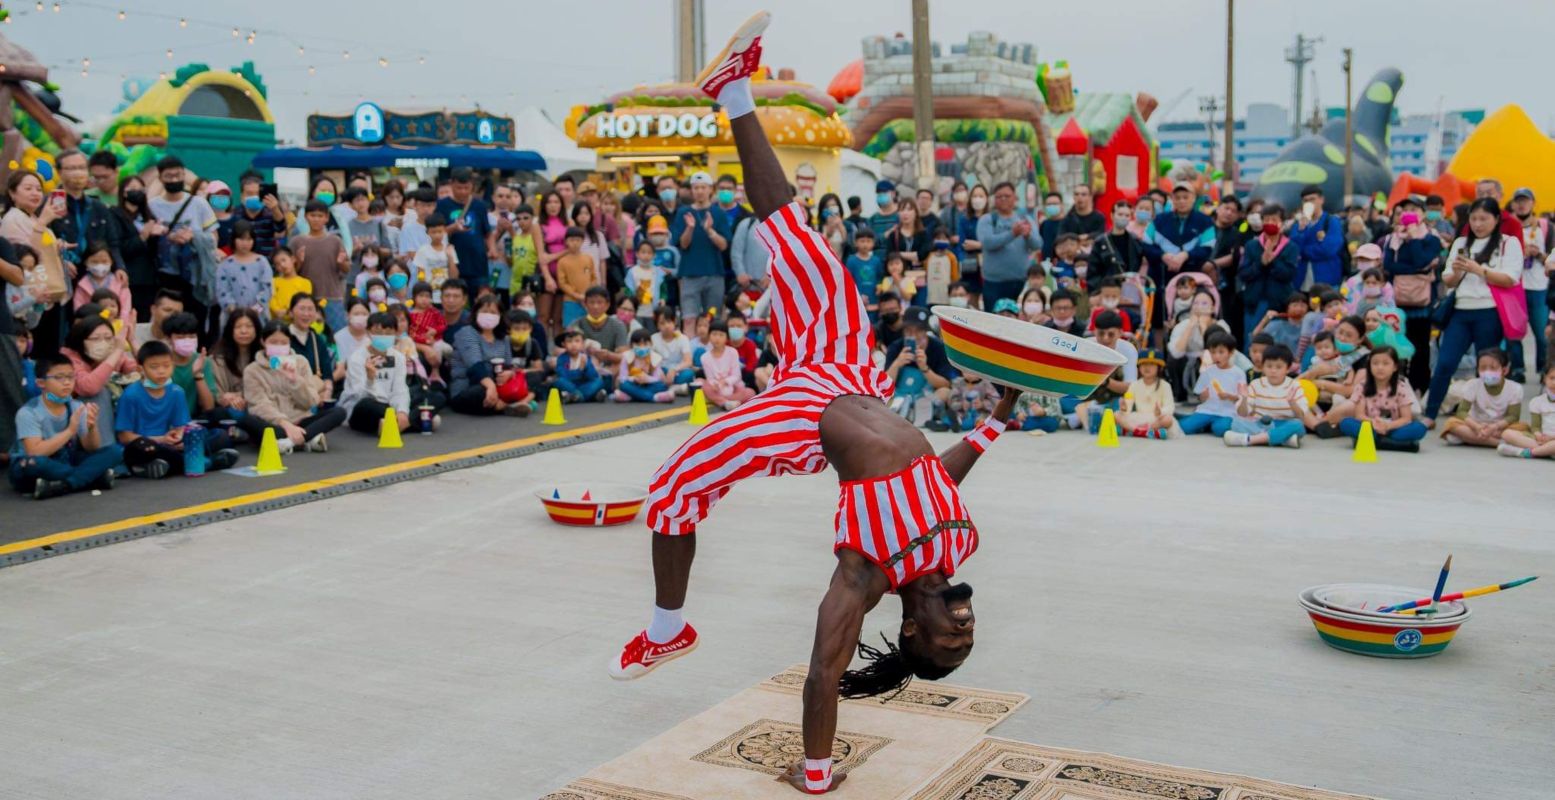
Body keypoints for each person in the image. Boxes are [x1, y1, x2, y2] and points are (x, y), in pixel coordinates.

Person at [614, 21, 1018, 795]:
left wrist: (818, 773)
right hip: (850, 371)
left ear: (909, 632)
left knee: (671, 488)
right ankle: (731, 89)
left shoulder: (863, 580)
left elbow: (821, 677)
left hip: (807, 418)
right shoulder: (956, 544)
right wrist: (996, 418)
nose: (965, 632)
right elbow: (938, 473)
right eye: (967, 640)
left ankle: (666, 630)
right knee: (799, 244)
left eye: (948, 646)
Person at [1422, 198, 1523, 423]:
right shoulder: (1460, 243)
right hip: (1460, 311)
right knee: (1446, 362)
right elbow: (1448, 280)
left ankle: (1487, 415)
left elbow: (1510, 278)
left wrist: (1479, 270)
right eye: (1474, 218)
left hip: (1490, 312)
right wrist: (1458, 272)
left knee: (1486, 366)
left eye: (1484, 219)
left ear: (1496, 220)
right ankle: (1430, 414)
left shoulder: (1508, 243)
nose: (1478, 224)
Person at [116, 339, 238, 478]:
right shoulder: (131, 395)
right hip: (148, 444)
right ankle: (207, 462)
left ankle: (164, 466)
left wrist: (180, 437)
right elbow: (124, 436)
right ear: (140, 369)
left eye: (166, 366)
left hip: (170, 444)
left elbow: (181, 426)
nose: (161, 371)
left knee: (219, 436)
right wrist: (161, 439)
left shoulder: (176, 392)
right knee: (143, 448)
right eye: (154, 367)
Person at [8, 353, 121, 498]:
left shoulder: (76, 406)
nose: (67, 382)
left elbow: (91, 447)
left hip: (66, 460)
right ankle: (90, 478)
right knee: (34, 464)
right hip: (35, 464)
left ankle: (63, 485)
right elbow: (35, 452)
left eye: (70, 377)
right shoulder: (28, 412)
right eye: (59, 377)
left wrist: (92, 427)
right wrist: (70, 431)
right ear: (41, 383)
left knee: (115, 451)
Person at [243, 320, 346, 453]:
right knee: (248, 420)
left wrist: (295, 380)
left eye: (284, 343)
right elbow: (259, 405)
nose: (279, 346)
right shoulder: (252, 370)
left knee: (339, 412)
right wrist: (285, 424)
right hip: (274, 424)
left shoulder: (301, 362)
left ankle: (290, 442)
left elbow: (310, 402)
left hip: (301, 420)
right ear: (263, 342)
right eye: (274, 342)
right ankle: (308, 438)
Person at [671, 172, 731, 336]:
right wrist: (689, 228)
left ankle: (712, 354)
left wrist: (710, 231)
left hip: (714, 273)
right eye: (696, 188)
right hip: (689, 273)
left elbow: (724, 245)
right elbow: (682, 244)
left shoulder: (718, 213)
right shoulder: (683, 212)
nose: (699, 191)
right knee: (689, 318)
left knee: (712, 317)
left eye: (703, 187)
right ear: (691, 190)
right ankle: (689, 354)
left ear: (710, 189)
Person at [448, 295, 528, 416]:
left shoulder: (504, 338)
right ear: (476, 313)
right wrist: (491, 387)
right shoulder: (467, 332)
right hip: (469, 386)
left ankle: (503, 404)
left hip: (498, 385)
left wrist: (509, 373)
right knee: (481, 392)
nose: (488, 315)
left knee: (530, 378)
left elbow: (509, 365)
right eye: (484, 311)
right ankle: (508, 405)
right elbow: (475, 365)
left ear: (500, 316)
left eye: (493, 312)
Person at [1222, 344, 1314, 448]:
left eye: (1278, 367)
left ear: (1288, 368)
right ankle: (1283, 439)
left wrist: (1292, 402)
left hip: (1284, 423)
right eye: (1269, 366)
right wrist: (1243, 399)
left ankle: (1251, 440)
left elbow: (1301, 415)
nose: (1273, 371)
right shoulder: (1255, 384)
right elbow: (1243, 413)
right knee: (1236, 422)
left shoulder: (1294, 385)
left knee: (1297, 425)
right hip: (1260, 424)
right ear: (1263, 367)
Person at [1336, 345, 1425, 452]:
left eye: (1386, 363)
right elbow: (1359, 415)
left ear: (1395, 367)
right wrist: (1373, 423)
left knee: (1419, 428)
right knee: (1346, 423)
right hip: (1370, 427)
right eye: (1375, 363)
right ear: (1369, 366)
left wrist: (1388, 426)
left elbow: (1406, 418)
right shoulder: (1362, 387)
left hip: (1394, 428)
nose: (1380, 367)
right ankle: (1395, 444)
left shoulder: (1401, 387)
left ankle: (1374, 441)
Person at [340, 311, 413, 436]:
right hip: (363, 407)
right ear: (368, 332)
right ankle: (414, 421)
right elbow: (359, 395)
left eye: (388, 333)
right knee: (367, 405)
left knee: (430, 396)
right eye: (378, 332)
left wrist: (402, 411)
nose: (383, 336)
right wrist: (370, 380)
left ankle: (391, 424)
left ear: (395, 333)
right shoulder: (357, 358)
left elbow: (400, 389)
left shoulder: (398, 357)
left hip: (388, 405)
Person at [1237, 204, 1299, 348]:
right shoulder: (1251, 245)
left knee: (1276, 344)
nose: (1270, 223)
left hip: (1279, 303)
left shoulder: (1291, 247)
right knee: (1252, 340)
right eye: (1266, 219)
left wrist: (1272, 261)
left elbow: (1289, 275)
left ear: (1282, 222)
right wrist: (1261, 263)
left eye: (1274, 219)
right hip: (1255, 301)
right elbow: (1243, 273)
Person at [50, 149, 120, 273]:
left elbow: (113, 243)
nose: (78, 173)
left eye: (82, 168)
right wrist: (60, 261)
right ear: (59, 172)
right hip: (63, 274)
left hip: (95, 275)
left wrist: (120, 268)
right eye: (72, 168)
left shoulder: (98, 206)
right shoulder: (49, 205)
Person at [976, 182, 1042, 309]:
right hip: (993, 283)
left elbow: (1037, 244)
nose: (1003, 199)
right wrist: (1012, 233)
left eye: (1007, 196)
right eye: (999, 196)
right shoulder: (987, 219)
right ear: (994, 200)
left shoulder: (1025, 219)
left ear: (1015, 198)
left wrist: (1028, 236)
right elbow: (988, 243)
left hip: (1020, 281)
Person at [1439, 349, 1523, 448]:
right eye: (1483, 368)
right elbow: (1462, 411)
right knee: (1451, 423)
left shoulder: (1515, 388)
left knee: (1520, 428)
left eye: (1492, 368)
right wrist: (1476, 426)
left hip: (1500, 427)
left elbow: (1513, 416)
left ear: (1504, 370)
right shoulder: (1473, 385)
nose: (1487, 372)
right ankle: (1498, 443)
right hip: (1476, 424)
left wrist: (1495, 427)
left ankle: (1472, 439)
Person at [107, 178, 165, 318]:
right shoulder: (115, 215)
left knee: (144, 317)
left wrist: (158, 235)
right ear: (124, 192)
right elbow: (118, 248)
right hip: (129, 277)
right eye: (133, 188)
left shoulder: (148, 216)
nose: (137, 192)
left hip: (150, 279)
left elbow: (153, 251)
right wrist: (143, 236)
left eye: (141, 189)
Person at [210, 308, 268, 445]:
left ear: (256, 329)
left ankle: (247, 432)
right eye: (238, 327)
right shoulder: (217, 358)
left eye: (249, 326)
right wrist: (225, 398)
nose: (244, 331)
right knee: (222, 413)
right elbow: (216, 391)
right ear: (230, 330)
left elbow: (270, 387)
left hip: (257, 405)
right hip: (230, 409)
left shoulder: (264, 356)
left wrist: (242, 397)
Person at [435, 168, 496, 295]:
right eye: (458, 188)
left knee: (479, 301)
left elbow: (487, 232)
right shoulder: (441, 205)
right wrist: (453, 228)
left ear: (472, 186)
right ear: (451, 184)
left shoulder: (479, 205)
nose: (463, 192)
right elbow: (436, 233)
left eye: (466, 188)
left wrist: (491, 248)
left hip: (477, 263)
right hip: (453, 263)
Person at [293, 201, 351, 333]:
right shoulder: (297, 241)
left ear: (327, 218)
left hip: (332, 297)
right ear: (306, 217)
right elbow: (291, 273)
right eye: (313, 215)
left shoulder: (335, 241)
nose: (316, 219)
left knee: (336, 335)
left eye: (320, 216)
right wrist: (299, 262)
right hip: (306, 299)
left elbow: (346, 269)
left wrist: (341, 262)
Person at [1179, 330, 1244, 436]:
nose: (1216, 356)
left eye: (1221, 352)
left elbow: (1242, 397)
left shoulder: (1238, 373)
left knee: (1221, 429)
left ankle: (1207, 425)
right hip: (1207, 410)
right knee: (1184, 427)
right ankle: (1202, 423)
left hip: (1227, 412)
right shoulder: (1208, 372)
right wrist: (1203, 396)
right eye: (1213, 352)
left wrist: (1229, 396)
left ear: (1231, 352)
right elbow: (1200, 396)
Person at [214, 221, 273, 328]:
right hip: (232, 317)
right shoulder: (225, 265)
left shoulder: (262, 262)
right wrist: (235, 312)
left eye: (249, 239)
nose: (245, 243)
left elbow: (267, 289)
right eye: (241, 239)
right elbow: (222, 291)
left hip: (258, 316)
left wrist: (255, 310)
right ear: (233, 239)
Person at [284, 294, 335, 403]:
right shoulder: (282, 338)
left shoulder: (318, 340)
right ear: (291, 312)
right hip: (287, 396)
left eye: (311, 309)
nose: (306, 314)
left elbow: (327, 375)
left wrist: (326, 393)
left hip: (315, 396)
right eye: (302, 309)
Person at [1116, 348, 1177, 439]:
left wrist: (1161, 411)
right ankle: (1142, 432)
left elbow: (1170, 406)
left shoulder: (1165, 385)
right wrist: (1124, 408)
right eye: (1143, 364)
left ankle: (1138, 431)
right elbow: (1128, 404)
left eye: (1151, 364)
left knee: (1168, 420)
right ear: (1139, 367)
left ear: (1159, 368)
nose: (1147, 367)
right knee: (1117, 415)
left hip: (1156, 418)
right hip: (1139, 417)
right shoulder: (1134, 385)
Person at [1290, 185, 1345, 287]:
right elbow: (1294, 249)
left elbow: (1329, 249)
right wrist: (1302, 230)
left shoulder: (1331, 221)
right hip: (1301, 279)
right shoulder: (1298, 225)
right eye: (1306, 201)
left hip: (1326, 279)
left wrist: (1304, 252)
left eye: (1312, 199)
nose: (1309, 203)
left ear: (1321, 200)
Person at [71, 242, 134, 329]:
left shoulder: (120, 282)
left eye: (104, 261)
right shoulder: (82, 285)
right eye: (94, 262)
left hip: (118, 329)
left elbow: (125, 311)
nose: (100, 265)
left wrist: (121, 331)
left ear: (111, 261)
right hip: (91, 329)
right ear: (86, 262)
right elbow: (79, 310)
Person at [1500, 363, 1555, 458]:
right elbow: (1535, 426)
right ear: (1545, 379)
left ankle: (1527, 452)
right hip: (1541, 439)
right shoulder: (1537, 402)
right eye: (1552, 378)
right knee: (1507, 434)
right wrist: (1538, 435)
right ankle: (1546, 451)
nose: (1554, 383)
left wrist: (1552, 438)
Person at [571, 286, 629, 373]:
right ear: (585, 304)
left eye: (599, 302)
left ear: (607, 305)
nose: (595, 306)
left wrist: (608, 355)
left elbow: (624, 355)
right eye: (591, 302)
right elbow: (560, 349)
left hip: (609, 366)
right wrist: (581, 348)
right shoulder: (577, 324)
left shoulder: (618, 325)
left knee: (623, 364)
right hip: (583, 363)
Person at [613, 329, 676, 404]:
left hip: (649, 384)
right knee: (624, 385)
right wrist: (634, 379)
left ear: (651, 344)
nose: (642, 347)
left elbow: (657, 378)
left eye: (645, 344)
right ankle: (654, 398)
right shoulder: (626, 357)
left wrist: (647, 379)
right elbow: (623, 378)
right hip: (633, 384)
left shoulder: (655, 358)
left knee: (661, 386)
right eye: (638, 344)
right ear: (631, 345)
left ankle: (631, 397)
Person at [555, 226, 598, 328]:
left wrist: (589, 294)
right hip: (571, 300)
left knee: (588, 327)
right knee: (571, 327)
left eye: (578, 240)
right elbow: (562, 283)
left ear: (582, 241)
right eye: (572, 240)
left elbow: (593, 277)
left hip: (588, 301)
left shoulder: (588, 258)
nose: (575, 243)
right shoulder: (562, 261)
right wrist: (576, 295)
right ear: (566, 242)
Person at [554, 329, 607, 402]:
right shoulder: (562, 359)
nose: (574, 345)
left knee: (599, 381)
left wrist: (586, 367)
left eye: (577, 341)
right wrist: (579, 370)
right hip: (570, 385)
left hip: (584, 385)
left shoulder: (585, 358)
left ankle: (576, 397)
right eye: (569, 341)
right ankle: (587, 397)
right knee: (559, 381)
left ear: (582, 344)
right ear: (564, 344)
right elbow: (563, 375)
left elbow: (593, 376)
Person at [650, 307, 696, 390]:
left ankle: (666, 387)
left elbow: (688, 361)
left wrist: (674, 370)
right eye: (662, 323)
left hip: (678, 371)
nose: (667, 326)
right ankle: (676, 388)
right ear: (657, 325)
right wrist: (660, 373)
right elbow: (651, 362)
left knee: (689, 374)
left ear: (674, 321)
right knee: (654, 375)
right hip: (661, 371)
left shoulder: (682, 338)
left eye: (669, 322)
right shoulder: (653, 339)